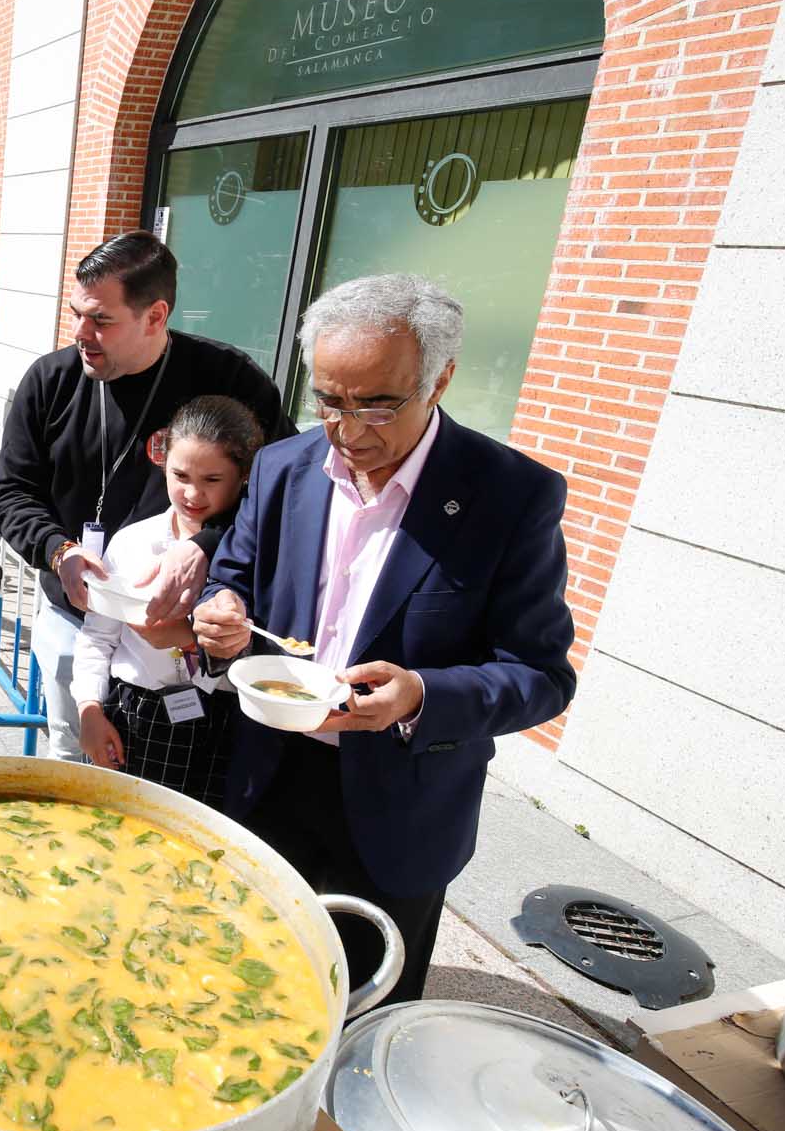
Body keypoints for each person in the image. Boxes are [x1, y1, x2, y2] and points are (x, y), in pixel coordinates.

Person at [192, 274, 578, 1006]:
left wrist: (422, 694)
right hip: (269, 778)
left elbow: (540, 673)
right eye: (330, 400)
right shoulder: (281, 467)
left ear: (442, 380)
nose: (350, 429)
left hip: (402, 803)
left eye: (378, 402)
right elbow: (235, 575)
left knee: (363, 1009)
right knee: (245, 989)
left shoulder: (510, 495)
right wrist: (222, 611)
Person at [0, 231, 291, 763]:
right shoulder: (50, 380)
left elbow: (286, 491)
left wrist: (208, 546)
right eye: (77, 313)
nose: (81, 333)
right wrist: (59, 551)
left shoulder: (228, 380)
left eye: (101, 320)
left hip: (190, 625)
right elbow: (12, 492)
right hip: (75, 617)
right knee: (73, 761)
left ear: (155, 316)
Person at [72, 395, 264, 807]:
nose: (192, 494)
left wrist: (191, 639)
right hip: (139, 719)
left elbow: (274, 645)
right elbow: (97, 638)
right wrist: (88, 709)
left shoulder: (259, 553)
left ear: (244, 476)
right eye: (180, 475)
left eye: (212, 480)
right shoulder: (133, 541)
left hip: (228, 721)